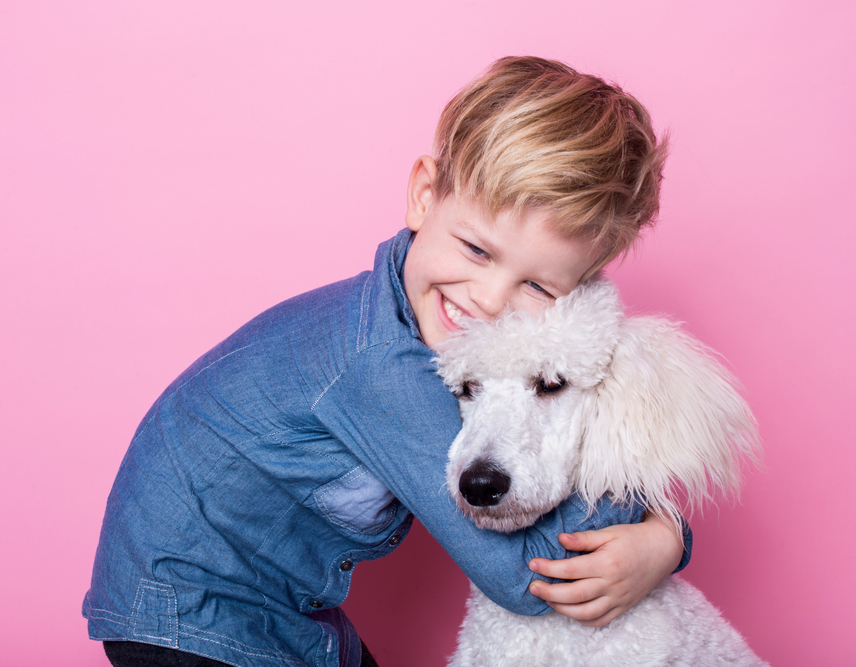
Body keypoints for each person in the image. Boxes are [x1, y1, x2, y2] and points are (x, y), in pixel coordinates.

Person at [84, 56, 690, 667]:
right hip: (191, 617)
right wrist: (667, 538)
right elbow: (526, 580)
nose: (488, 300)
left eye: (538, 288)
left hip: (283, 611)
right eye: (477, 249)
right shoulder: (381, 364)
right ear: (425, 197)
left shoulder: (419, 328)